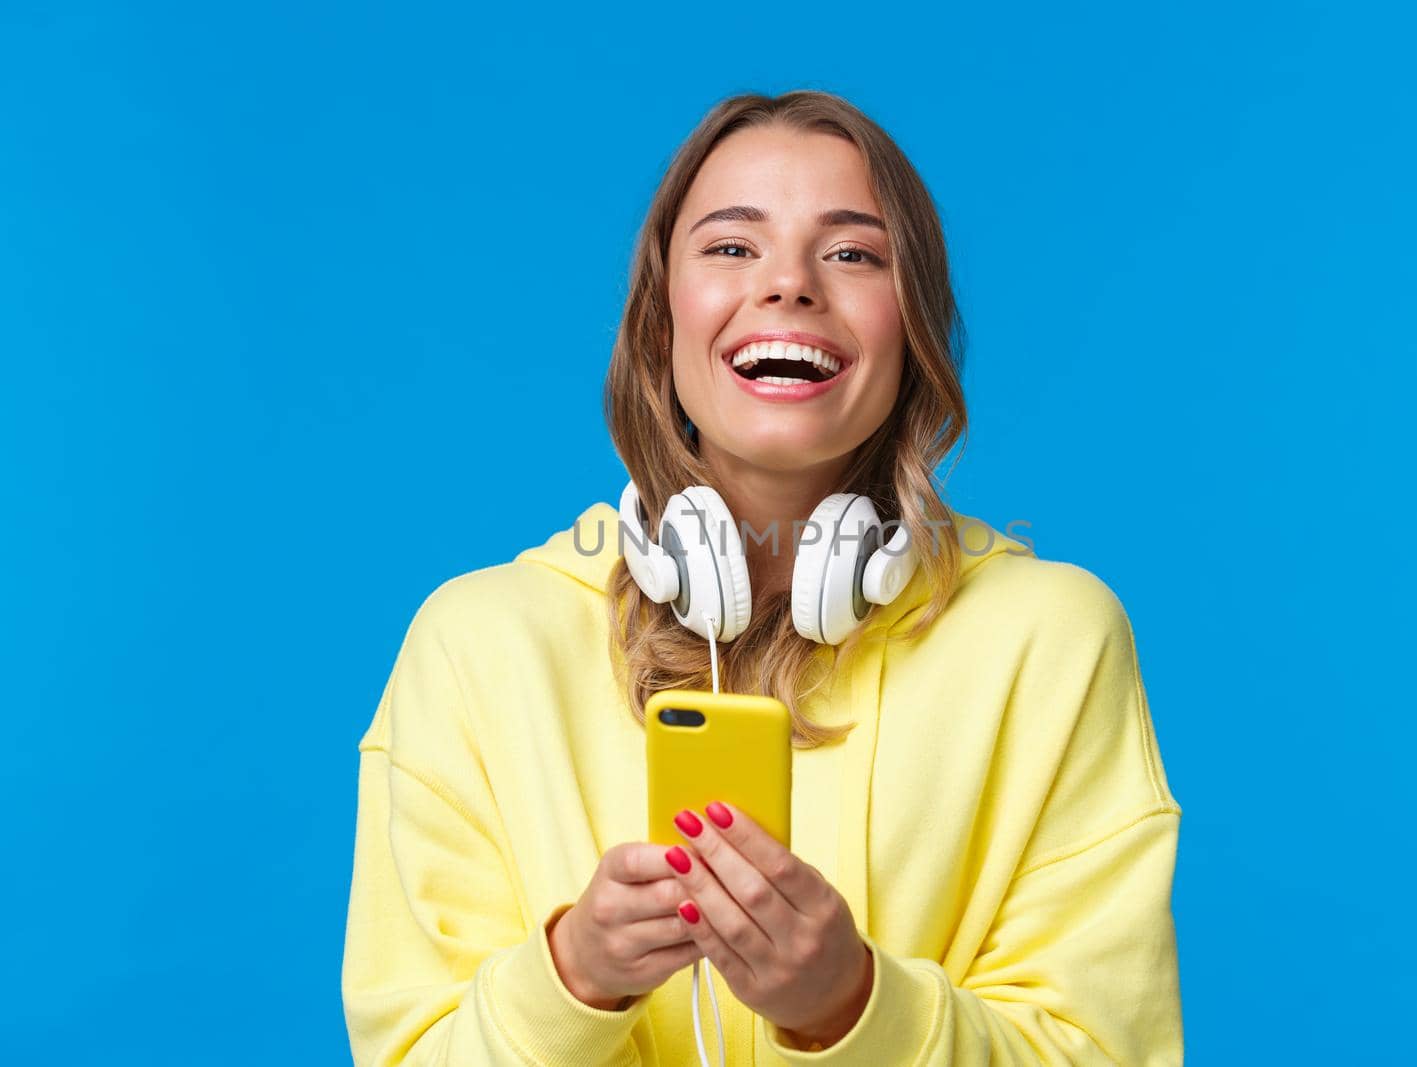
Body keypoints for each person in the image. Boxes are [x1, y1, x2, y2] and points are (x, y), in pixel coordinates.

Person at [341, 89, 1185, 1065]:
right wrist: (571, 974)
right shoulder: (476, 643)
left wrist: (851, 1004)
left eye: (853, 252)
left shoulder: (1053, 638)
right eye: (732, 246)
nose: (788, 284)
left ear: (912, 326)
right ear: (662, 317)